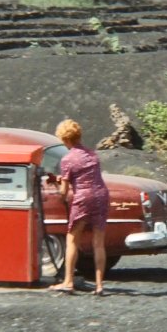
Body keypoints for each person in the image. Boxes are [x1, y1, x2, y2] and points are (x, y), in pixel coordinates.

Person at [49, 119, 110, 296]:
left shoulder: (67, 159)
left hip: (83, 197)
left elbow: (64, 192)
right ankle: (99, 286)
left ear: (65, 139)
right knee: (98, 242)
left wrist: (58, 186)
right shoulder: (92, 155)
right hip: (101, 195)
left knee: (72, 240)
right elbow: (86, 175)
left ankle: (68, 282)